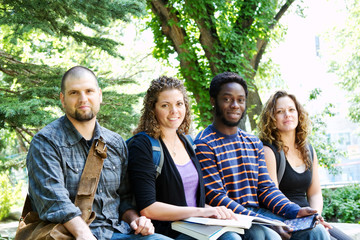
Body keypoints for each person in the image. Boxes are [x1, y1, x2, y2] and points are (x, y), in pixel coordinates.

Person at [26, 66, 171, 240]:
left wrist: (136, 220)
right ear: (62, 99)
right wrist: (83, 233)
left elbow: (124, 198)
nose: (83, 99)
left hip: (116, 233)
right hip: (67, 234)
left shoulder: (116, 143)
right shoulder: (46, 142)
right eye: (74, 93)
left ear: (99, 95)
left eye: (89, 91)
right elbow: (54, 201)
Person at [194, 72, 330, 240]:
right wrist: (266, 222)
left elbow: (267, 188)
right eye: (227, 99)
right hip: (230, 219)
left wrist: (295, 210)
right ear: (213, 101)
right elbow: (217, 197)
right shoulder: (204, 144)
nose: (235, 105)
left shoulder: (252, 142)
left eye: (240, 100)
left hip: (258, 214)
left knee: (317, 232)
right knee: (268, 236)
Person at [128, 76, 242, 239]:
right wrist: (202, 212)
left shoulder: (187, 141)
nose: (174, 111)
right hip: (168, 231)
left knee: (252, 235)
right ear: (153, 109)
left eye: (179, 104)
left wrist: (217, 211)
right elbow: (148, 208)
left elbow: (190, 199)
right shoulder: (144, 145)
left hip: (197, 224)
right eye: (165, 105)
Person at [258, 90, 352, 240]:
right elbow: (272, 197)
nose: (287, 115)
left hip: (308, 218)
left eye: (291, 110)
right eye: (280, 112)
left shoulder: (308, 149)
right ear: (271, 118)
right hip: (285, 220)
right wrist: (306, 220)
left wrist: (315, 217)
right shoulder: (268, 150)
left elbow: (315, 193)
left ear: (298, 114)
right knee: (319, 234)